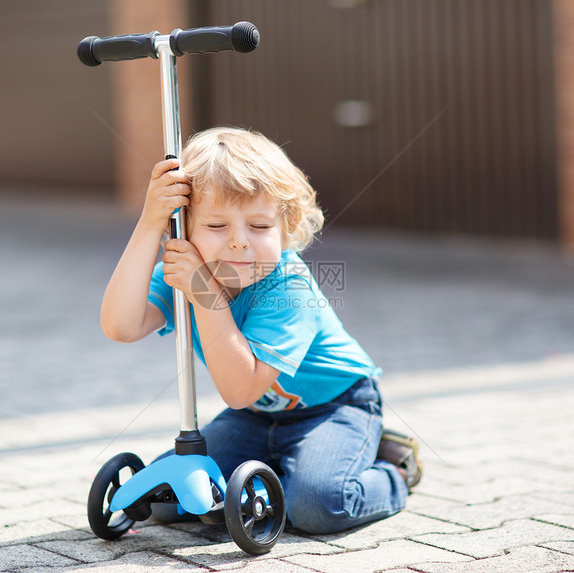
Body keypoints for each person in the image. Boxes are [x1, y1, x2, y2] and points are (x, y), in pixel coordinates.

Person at [100, 126, 421, 534]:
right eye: (216, 227)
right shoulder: (186, 271)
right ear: (182, 229)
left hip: (334, 408)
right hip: (254, 419)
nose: (239, 243)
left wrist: (204, 294)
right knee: (169, 499)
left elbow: (239, 388)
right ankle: (275, 472)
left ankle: (393, 469)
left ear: (285, 228)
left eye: (259, 226)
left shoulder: (289, 287)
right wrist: (149, 224)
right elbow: (120, 326)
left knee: (317, 506)